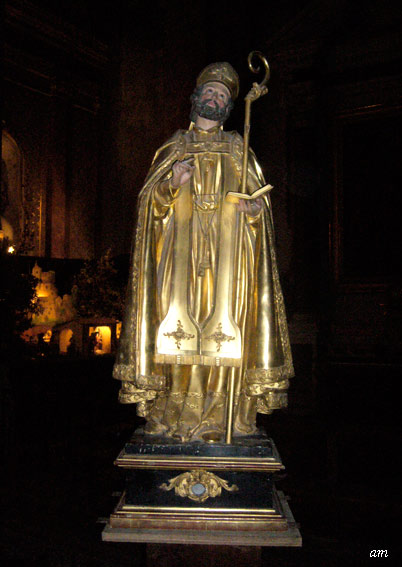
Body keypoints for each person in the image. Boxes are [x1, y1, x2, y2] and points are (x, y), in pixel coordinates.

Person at [113, 62, 294, 442]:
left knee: (225, 329)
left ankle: (224, 416)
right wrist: (171, 185)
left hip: (228, 260)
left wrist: (254, 211)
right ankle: (172, 416)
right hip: (178, 259)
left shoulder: (238, 147)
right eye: (209, 91)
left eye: (222, 95)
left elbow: (259, 206)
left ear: (229, 107)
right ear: (196, 97)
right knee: (175, 328)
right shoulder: (174, 146)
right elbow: (149, 206)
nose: (214, 98)